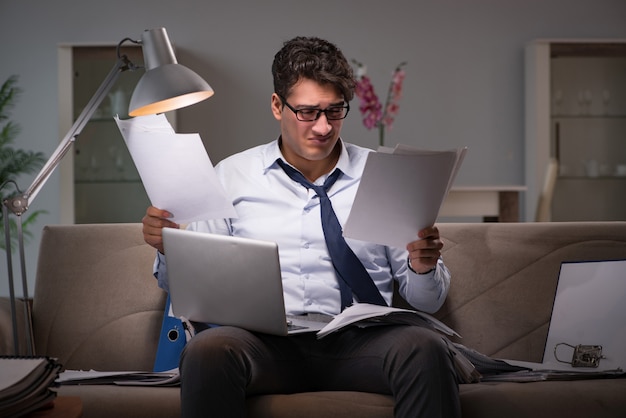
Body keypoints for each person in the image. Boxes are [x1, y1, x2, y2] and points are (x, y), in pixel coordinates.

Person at [142, 36, 461, 418]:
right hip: (263, 345)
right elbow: (192, 287)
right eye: (308, 112)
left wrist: (422, 266)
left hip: (361, 344)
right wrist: (168, 247)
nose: (324, 127)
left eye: (335, 111)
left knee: (424, 347)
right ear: (277, 106)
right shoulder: (231, 176)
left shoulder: (383, 176)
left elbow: (427, 301)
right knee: (208, 350)